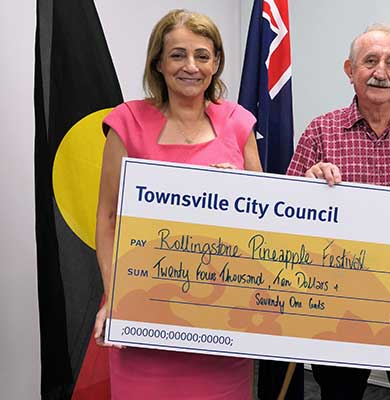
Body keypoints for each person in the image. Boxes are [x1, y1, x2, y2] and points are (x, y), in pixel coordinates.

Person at [93, 9, 261, 399]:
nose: (191, 66)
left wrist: (238, 194)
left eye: (202, 55)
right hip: (145, 313)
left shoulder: (239, 123)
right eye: (178, 55)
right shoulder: (127, 121)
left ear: (216, 62)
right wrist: (115, 296)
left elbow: (261, 223)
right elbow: (107, 218)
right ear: (159, 62)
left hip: (222, 321)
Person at [286, 23, 390, 400]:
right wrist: (309, 185)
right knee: (338, 394)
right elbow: (285, 214)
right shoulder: (321, 131)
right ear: (350, 70)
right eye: (370, 61)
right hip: (340, 299)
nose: (381, 72)